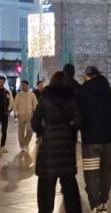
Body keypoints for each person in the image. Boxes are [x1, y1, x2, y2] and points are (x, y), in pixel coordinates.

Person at [32, 71, 83, 213]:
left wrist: (44, 132)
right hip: (66, 146)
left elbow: (35, 122)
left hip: (48, 147)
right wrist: (70, 130)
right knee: (69, 187)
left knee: (45, 187)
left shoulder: (45, 98)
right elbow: (79, 121)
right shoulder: (71, 97)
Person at [76, 66, 111, 213]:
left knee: (91, 173)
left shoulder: (83, 89)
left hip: (90, 139)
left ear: (87, 76)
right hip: (108, 138)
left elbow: (78, 113)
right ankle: (104, 201)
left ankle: (94, 205)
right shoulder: (109, 89)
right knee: (106, 171)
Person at [15, 80, 39, 153]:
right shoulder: (19, 95)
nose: (23, 86)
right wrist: (16, 113)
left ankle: (26, 143)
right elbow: (15, 104)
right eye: (22, 85)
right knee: (20, 132)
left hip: (30, 115)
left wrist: (35, 112)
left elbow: (35, 104)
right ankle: (22, 146)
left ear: (27, 85)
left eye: (24, 85)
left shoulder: (32, 95)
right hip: (21, 115)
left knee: (30, 130)